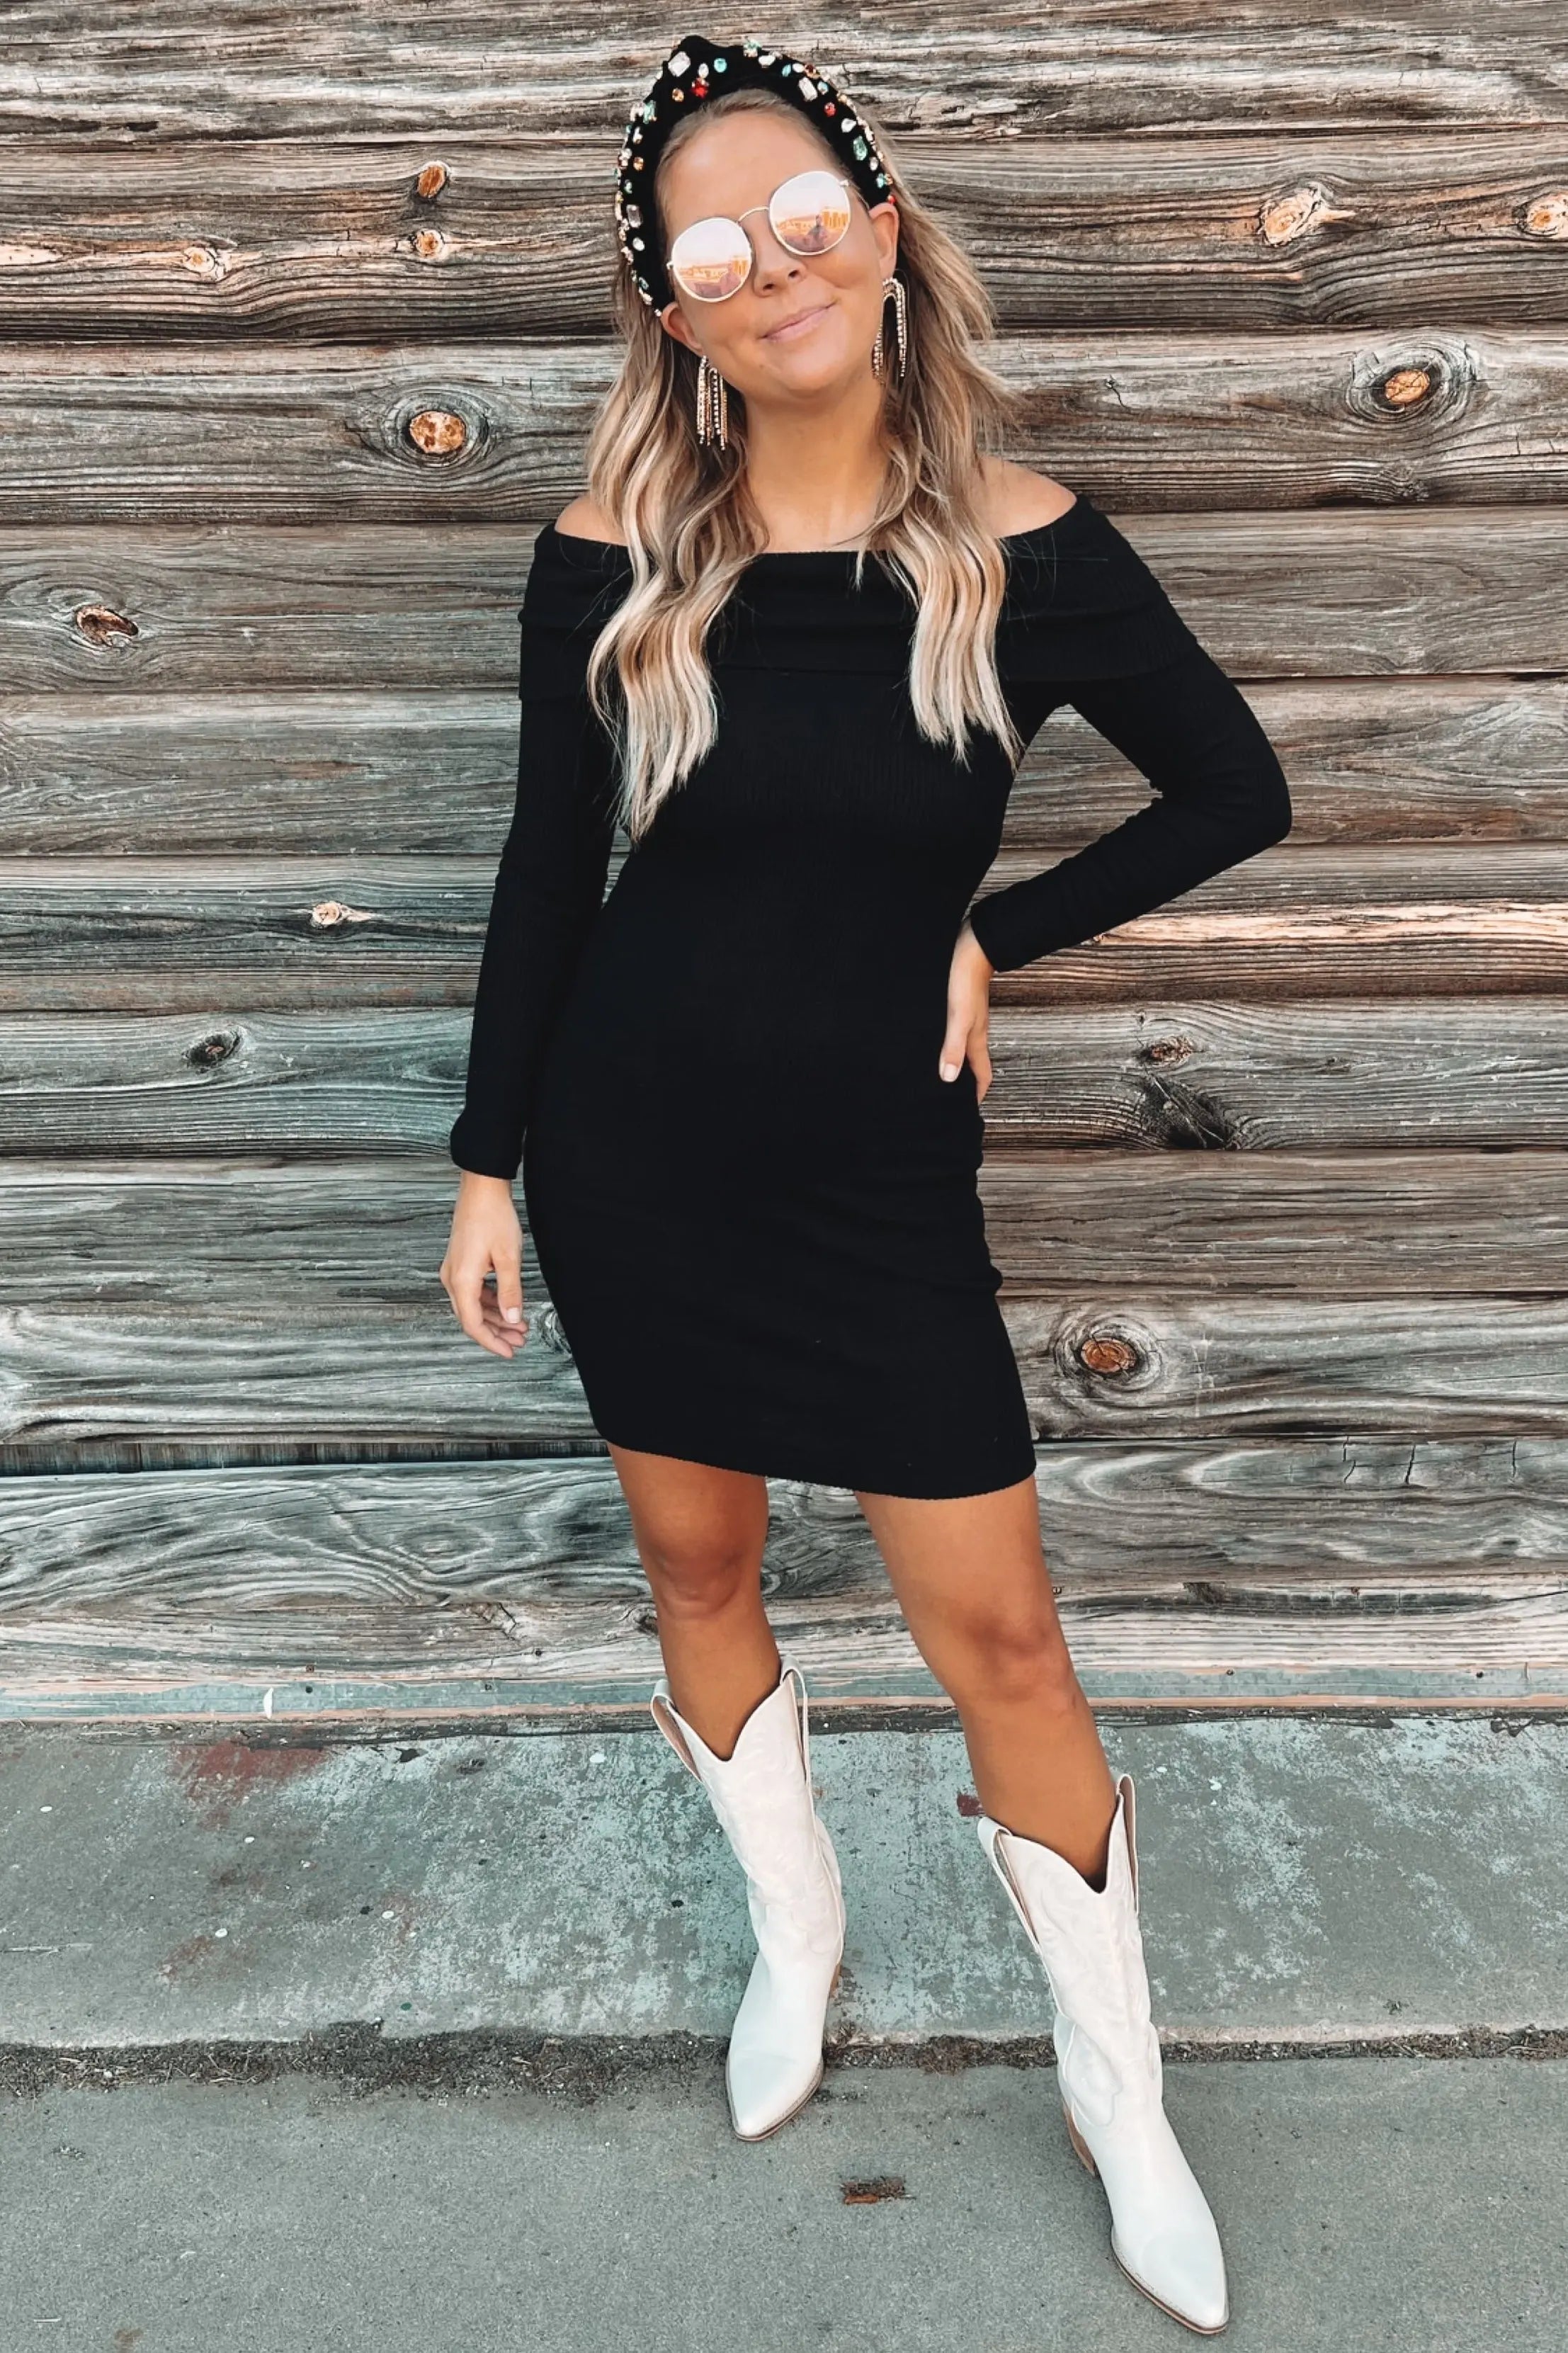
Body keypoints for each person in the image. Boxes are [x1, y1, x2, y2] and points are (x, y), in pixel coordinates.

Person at [442, 32, 1290, 2336]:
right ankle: (796, 1939)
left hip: (880, 1184)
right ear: (673, 308)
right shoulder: (609, 557)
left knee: (1002, 1635)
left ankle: (1121, 2095)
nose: (775, 263)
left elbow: (1235, 789)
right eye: (715, 245)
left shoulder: (1026, 548)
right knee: (700, 1567)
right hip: (633, 1155)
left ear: (884, 230)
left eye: (806, 213)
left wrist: (995, 932)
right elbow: (546, 871)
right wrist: (489, 1160)